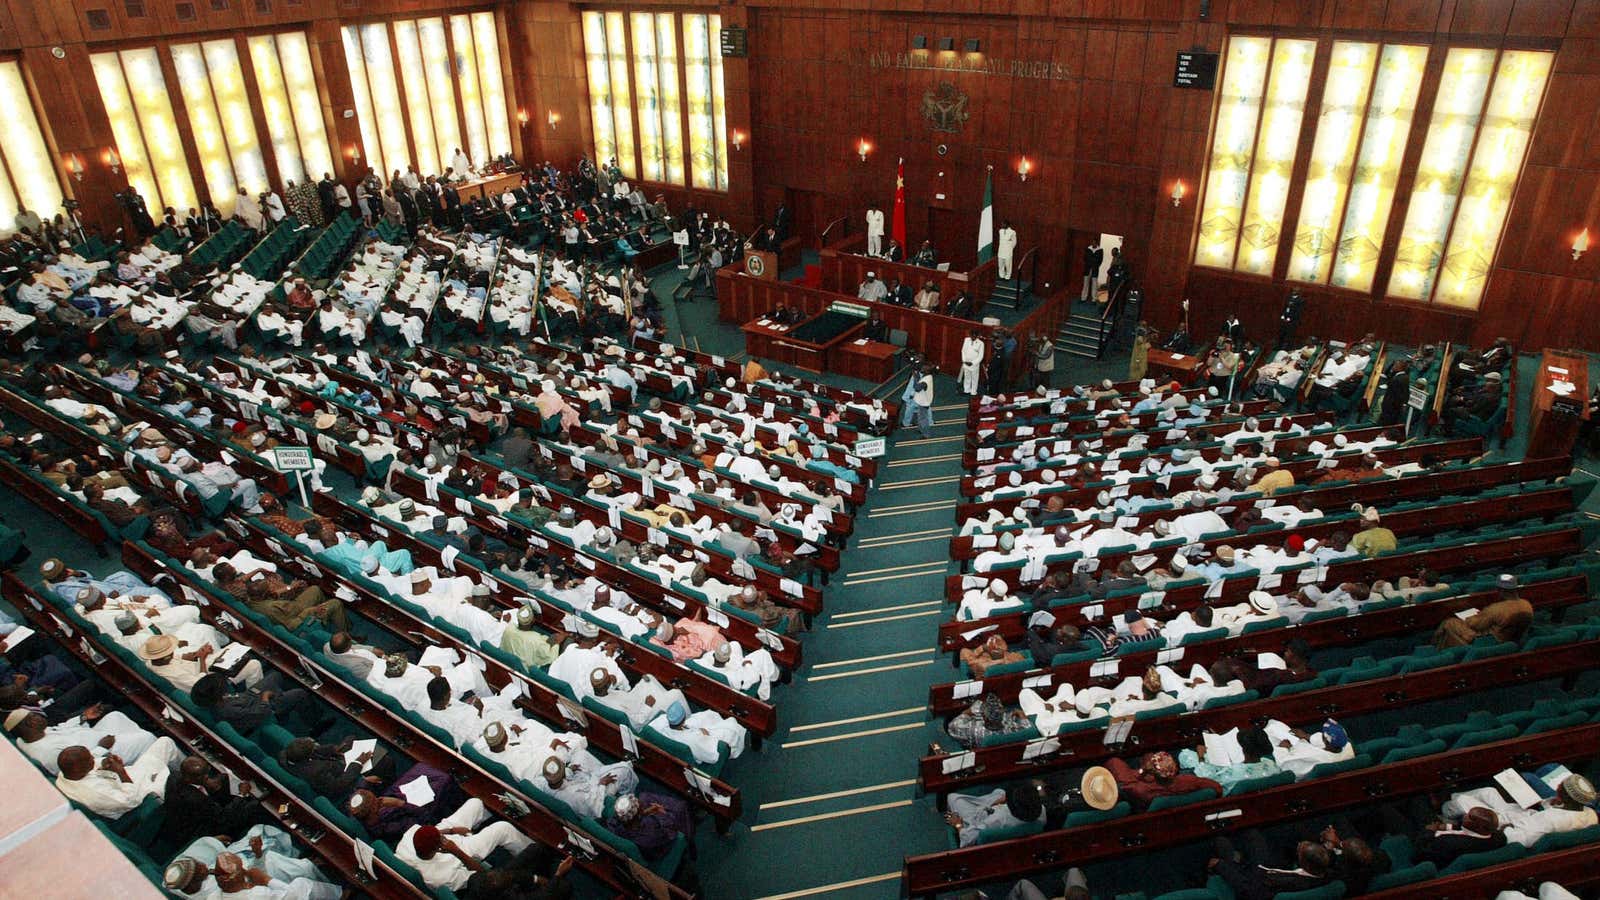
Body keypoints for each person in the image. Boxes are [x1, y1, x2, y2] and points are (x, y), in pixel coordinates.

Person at [395, 802, 534, 891]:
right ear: (438, 849)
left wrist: (451, 831)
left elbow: (432, 832)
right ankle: (532, 850)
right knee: (503, 828)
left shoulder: (407, 839)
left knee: (476, 803)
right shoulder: (440, 878)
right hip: (464, 853)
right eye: (440, 839)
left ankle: (481, 823)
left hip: (446, 833)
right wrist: (456, 851)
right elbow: (481, 876)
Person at [1433, 574, 1534, 648]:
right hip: (1512, 639)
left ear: (1500, 590)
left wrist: (1473, 617)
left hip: (1489, 641)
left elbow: (1474, 625)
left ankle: (1437, 649)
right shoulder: (1527, 604)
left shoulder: (1496, 609)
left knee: (1450, 622)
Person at [910, 366, 935, 438]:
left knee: (923, 419)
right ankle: (920, 429)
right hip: (922, 400)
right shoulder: (928, 376)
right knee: (920, 415)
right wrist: (917, 375)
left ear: (927, 371)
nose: (922, 368)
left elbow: (917, 388)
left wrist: (915, 378)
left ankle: (926, 434)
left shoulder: (926, 381)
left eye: (924, 368)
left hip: (924, 402)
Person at [959, 329, 985, 396]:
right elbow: (963, 351)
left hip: (974, 365)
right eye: (972, 336)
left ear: (977, 336)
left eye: (975, 336)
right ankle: (966, 390)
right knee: (967, 377)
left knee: (974, 378)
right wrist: (964, 360)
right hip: (966, 363)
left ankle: (973, 392)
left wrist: (972, 363)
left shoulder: (981, 343)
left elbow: (980, 356)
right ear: (970, 335)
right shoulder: (966, 340)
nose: (973, 337)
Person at [1082, 238, 1103, 303]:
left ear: (1097, 243)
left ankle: (1094, 299)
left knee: (1094, 284)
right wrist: (1090, 262)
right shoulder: (1088, 249)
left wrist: (1095, 265)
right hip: (1087, 269)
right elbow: (1085, 258)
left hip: (1095, 269)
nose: (1093, 243)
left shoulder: (1100, 250)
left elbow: (1100, 260)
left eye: (1094, 242)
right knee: (1085, 284)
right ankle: (1083, 298)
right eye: (1092, 242)